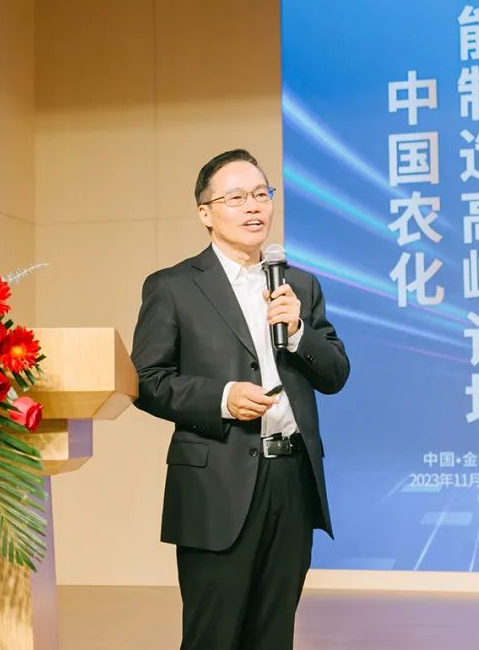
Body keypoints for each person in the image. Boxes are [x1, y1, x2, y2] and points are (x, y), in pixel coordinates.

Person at [131, 148, 350, 650]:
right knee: (214, 635)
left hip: (291, 478)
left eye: (261, 194)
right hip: (218, 482)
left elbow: (336, 373)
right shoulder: (174, 287)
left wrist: (298, 331)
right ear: (205, 213)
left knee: (274, 634)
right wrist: (223, 397)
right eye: (236, 198)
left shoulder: (300, 285)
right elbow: (146, 379)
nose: (254, 207)